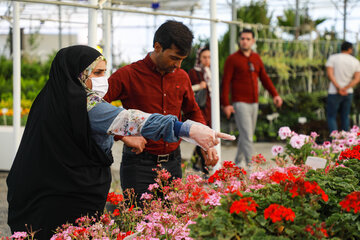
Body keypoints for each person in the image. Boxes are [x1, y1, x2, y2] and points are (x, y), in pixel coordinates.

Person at [6, 45, 233, 239]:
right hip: (67, 200)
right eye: (97, 73)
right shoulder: (84, 104)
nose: (103, 80)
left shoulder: (49, 98)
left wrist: (121, 133)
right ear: (78, 74)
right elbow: (133, 120)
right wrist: (188, 128)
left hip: (38, 193)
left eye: (105, 72)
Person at [104, 20, 221, 200]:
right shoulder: (127, 75)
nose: (178, 65)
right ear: (157, 47)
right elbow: (96, 107)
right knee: (140, 223)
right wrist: (123, 136)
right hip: (138, 164)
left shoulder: (182, 77)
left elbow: (192, 110)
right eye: (174, 58)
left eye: (182, 60)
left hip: (173, 163)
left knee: (171, 224)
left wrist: (205, 138)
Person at [221, 29, 283, 168]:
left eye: (248, 39)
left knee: (246, 135)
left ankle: (237, 163)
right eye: (242, 38)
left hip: (254, 102)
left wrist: (275, 95)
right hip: (240, 102)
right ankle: (252, 168)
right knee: (248, 136)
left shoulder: (256, 58)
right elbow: (225, 83)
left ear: (253, 41)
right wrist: (226, 104)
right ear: (239, 40)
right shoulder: (232, 59)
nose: (245, 41)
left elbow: (264, 78)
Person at [325, 41, 360, 133]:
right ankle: (346, 141)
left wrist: (338, 87)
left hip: (334, 91)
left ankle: (334, 140)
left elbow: (330, 74)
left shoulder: (333, 58)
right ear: (350, 49)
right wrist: (346, 88)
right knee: (345, 116)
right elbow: (357, 79)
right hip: (348, 92)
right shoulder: (355, 61)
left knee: (331, 116)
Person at [188, 46, 212, 174]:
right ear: (199, 58)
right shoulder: (194, 72)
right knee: (202, 137)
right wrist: (199, 86)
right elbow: (188, 89)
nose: (207, 60)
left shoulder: (211, 71)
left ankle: (196, 163)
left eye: (209, 57)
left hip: (211, 108)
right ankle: (204, 167)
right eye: (204, 57)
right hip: (200, 108)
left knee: (206, 138)